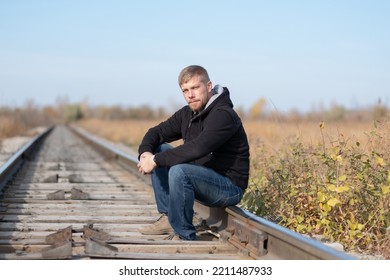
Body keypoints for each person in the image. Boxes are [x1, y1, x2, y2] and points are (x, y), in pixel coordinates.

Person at [137, 65, 250, 240]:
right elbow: (156, 132)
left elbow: (199, 147)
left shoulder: (223, 115)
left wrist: (156, 160)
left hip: (228, 187)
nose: (190, 95)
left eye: (195, 88)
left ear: (208, 86)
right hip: (203, 178)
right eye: (185, 90)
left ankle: (184, 233)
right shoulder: (187, 114)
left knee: (178, 170)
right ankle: (169, 217)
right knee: (160, 148)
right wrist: (146, 154)